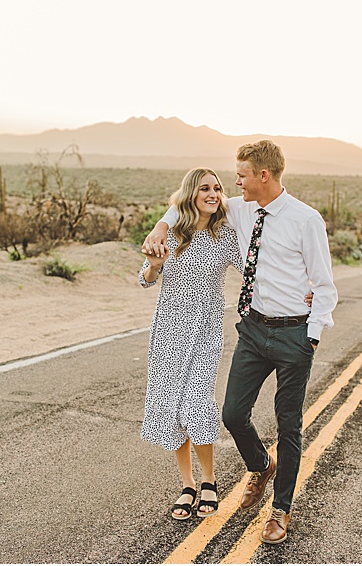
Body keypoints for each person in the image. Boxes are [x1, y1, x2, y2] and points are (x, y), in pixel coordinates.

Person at [144, 140, 337, 544]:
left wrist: (312, 337)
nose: (234, 184)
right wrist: (162, 226)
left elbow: (324, 285)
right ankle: (259, 465)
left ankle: (280, 510)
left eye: (241, 176)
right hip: (251, 329)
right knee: (232, 414)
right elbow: (188, 202)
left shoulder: (306, 220)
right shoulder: (241, 208)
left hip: (294, 334)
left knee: (289, 425)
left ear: (262, 176)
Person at [139, 167, 241, 520]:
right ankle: (187, 484)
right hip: (168, 331)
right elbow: (146, 279)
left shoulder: (225, 236)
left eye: (217, 188)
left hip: (206, 332)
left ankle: (209, 481)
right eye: (204, 189)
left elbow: (252, 271)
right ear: (190, 194)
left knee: (197, 403)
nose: (213, 194)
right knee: (173, 406)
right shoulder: (173, 233)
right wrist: (154, 265)